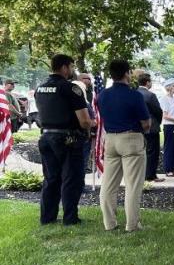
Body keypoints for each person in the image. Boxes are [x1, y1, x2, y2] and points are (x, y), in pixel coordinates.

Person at [34, 54, 94, 226]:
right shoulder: (71, 89)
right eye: (71, 67)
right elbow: (83, 121)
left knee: (51, 178)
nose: (72, 71)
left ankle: (47, 217)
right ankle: (70, 218)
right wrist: (92, 123)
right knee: (71, 178)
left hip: (46, 137)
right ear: (65, 67)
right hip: (68, 139)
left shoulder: (40, 88)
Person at [97, 59, 152, 232]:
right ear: (127, 73)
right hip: (131, 139)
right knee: (133, 185)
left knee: (108, 184)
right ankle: (132, 225)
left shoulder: (102, 95)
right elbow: (146, 123)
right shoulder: (134, 95)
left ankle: (109, 223)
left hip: (110, 139)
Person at [134, 70, 164, 182]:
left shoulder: (134, 93)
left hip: (137, 127)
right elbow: (158, 111)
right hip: (151, 127)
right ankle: (150, 175)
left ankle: (141, 174)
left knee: (140, 151)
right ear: (147, 82)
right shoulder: (150, 95)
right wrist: (158, 122)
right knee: (152, 151)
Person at [159, 78, 174, 177]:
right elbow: (165, 115)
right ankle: (168, 169)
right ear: (168, 88)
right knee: (169, 147)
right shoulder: (164, 99)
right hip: (169, 126)